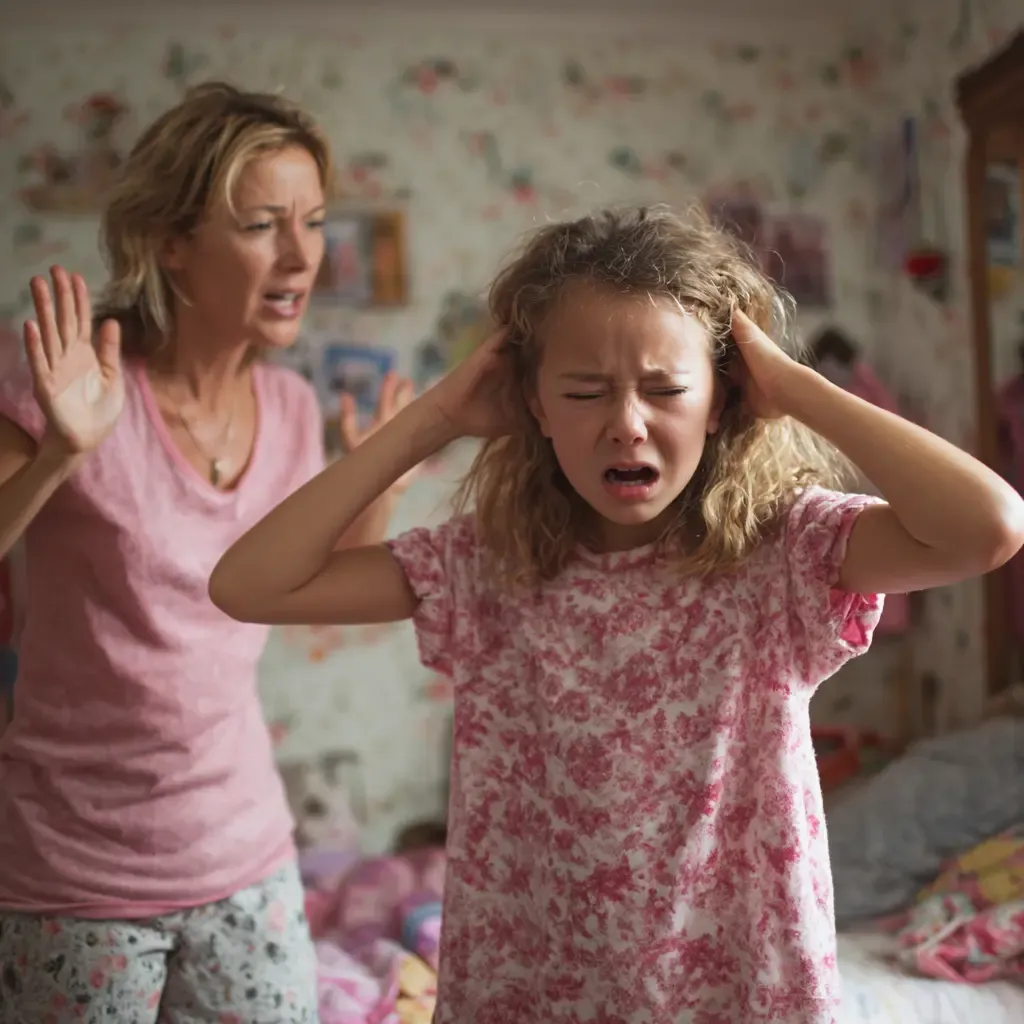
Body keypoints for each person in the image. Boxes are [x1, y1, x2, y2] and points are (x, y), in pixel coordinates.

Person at [210, 205, 1024, 1024]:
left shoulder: (784, 557)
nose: (626, 424)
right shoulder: (482, 568)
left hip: (736, 994)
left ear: (722, 401)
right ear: (534, 405)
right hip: (532, 995)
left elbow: (990, 526)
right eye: (583, 391)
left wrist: (799, 390)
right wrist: (436, 420)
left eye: (666, 390)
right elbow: (249, 585)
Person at [0, 82, 413, 1023]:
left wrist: (380, 486)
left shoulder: (298, 411)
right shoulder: (64, 384)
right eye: (265, 223)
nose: (305, 255)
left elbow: (310, 595)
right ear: (173, 243)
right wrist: (64, 450)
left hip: (247, 853)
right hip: (75, 869)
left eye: (312, 221)